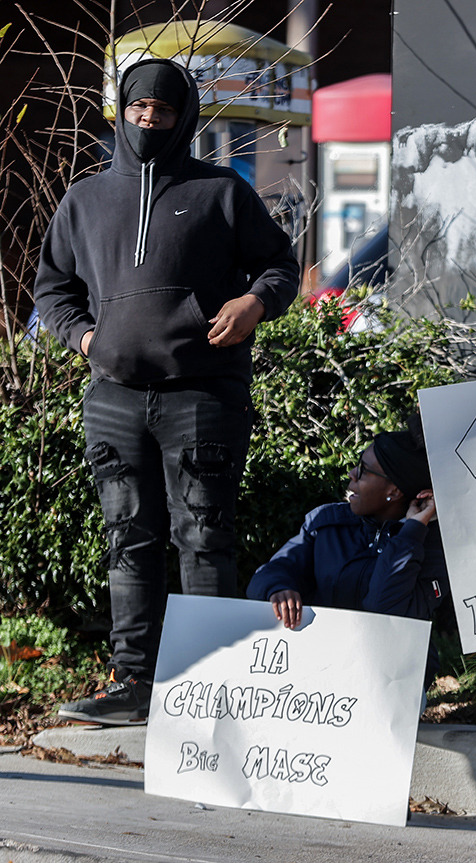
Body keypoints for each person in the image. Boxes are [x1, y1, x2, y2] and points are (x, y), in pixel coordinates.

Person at [34, 58, 300, 725]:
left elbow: (280, 266)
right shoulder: (86, 200)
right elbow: (53, 288)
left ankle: (211, 688)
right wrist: (86, 338)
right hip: (115, 396)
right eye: (138, 109)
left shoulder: (222, 193)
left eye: (164, 111)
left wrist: (253, 304)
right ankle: (134, 684)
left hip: (203, 394)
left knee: (204, 535)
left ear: (185, 117)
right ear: (122, 112)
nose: (149, 121)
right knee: (128, 536)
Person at [246, 424, 445, 689]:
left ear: (394, 492)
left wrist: (410, 535)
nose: (351, 474)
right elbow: (272, 572)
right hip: (319, 678)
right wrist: (278, 588)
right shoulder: (326, 524)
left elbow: (385, 612)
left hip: (391, 688)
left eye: (363, 470)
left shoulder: (433, 548)